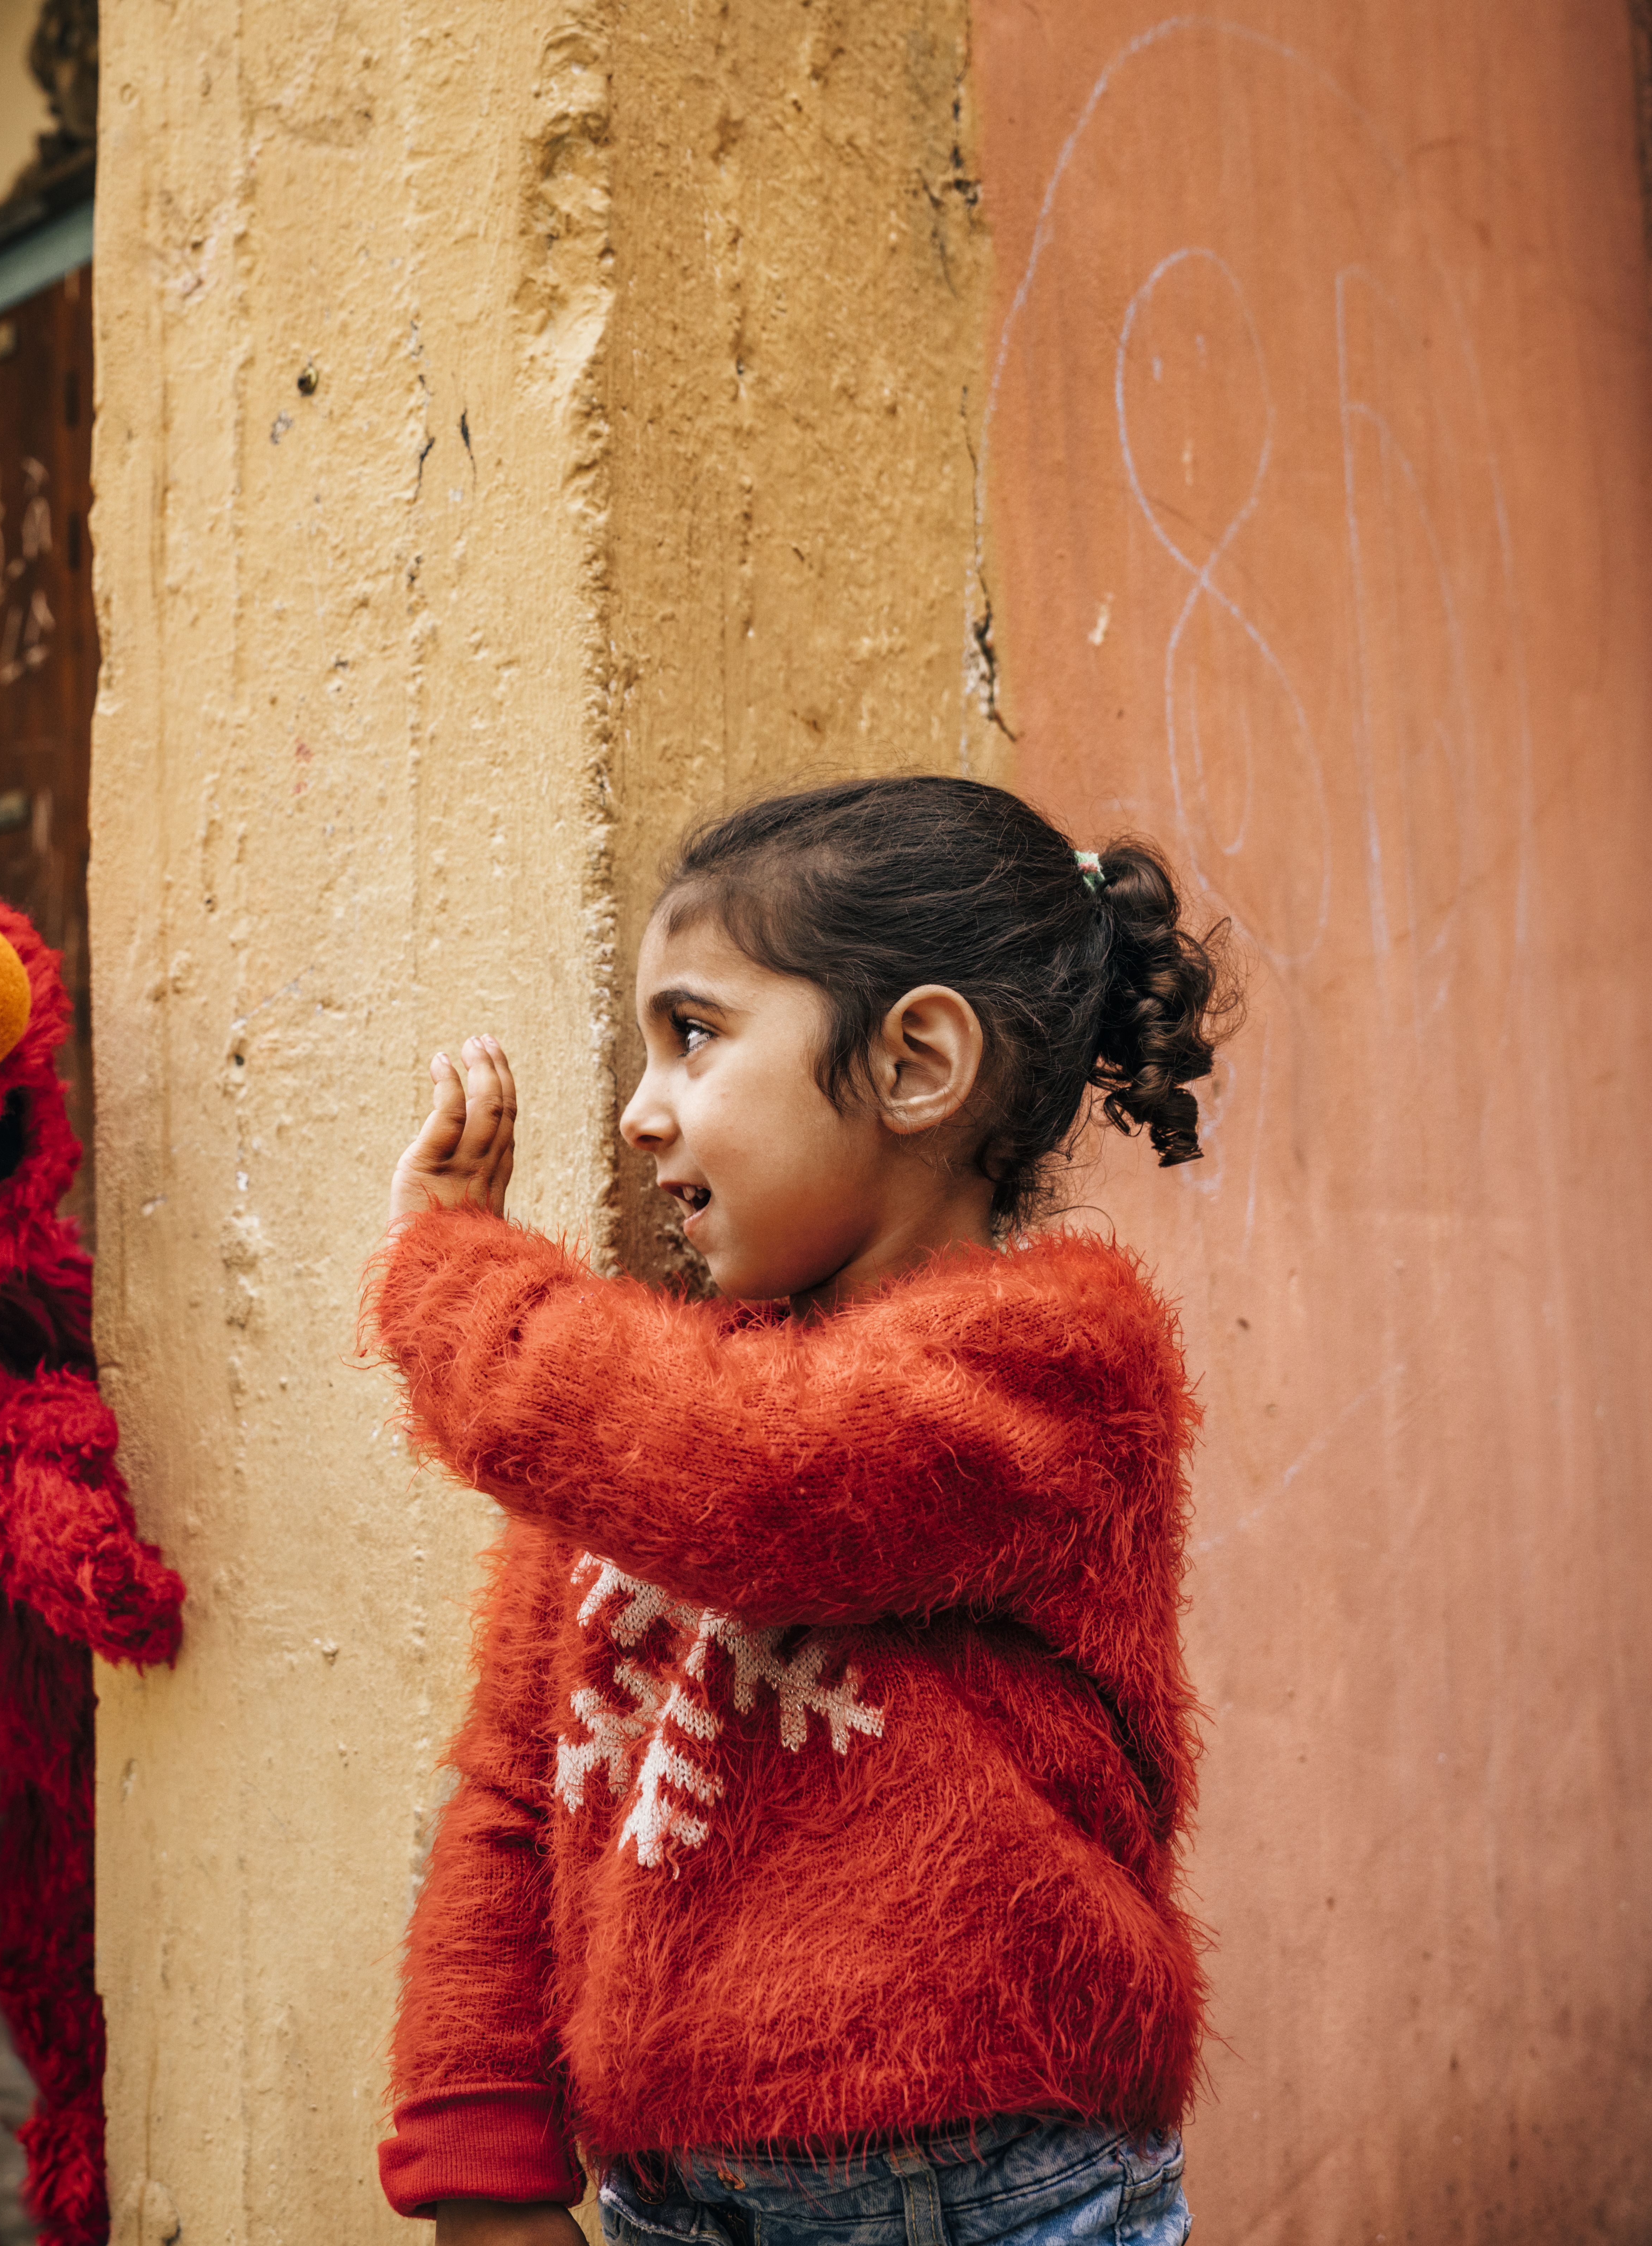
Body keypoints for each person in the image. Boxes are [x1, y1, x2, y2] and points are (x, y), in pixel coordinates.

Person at [366, 773, 1229, 2246]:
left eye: (692, 1037)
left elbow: (762, 1480)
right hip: (675, 2201)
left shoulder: (1056, 1363)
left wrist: (459, 1283)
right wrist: (477, 2152)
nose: (642, 1115)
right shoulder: (639, 1432)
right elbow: (519, 1793)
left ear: (917, 1064)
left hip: (990, 2184)